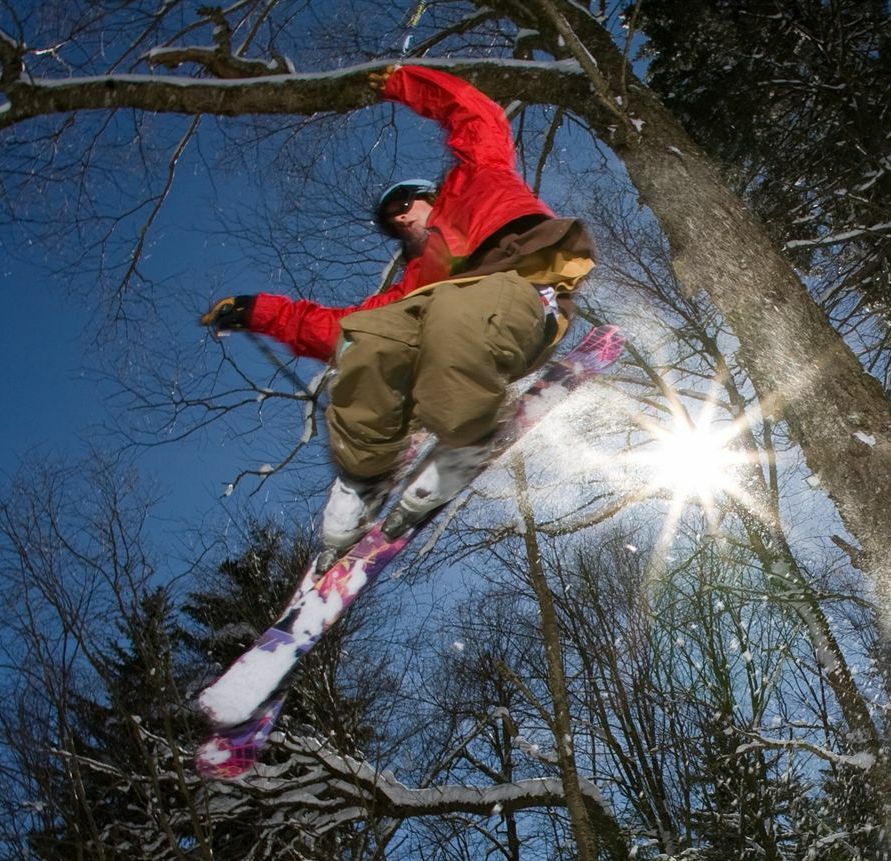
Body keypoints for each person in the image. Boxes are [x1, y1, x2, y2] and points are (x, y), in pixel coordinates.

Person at [203, 65, 597, 556]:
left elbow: (476, 113)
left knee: (453, 312)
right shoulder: (416, 284)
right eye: (392, 221)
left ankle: (469, 431)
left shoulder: (481, 170)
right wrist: (257, 311)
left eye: (406, 203)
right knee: (367, 339)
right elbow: (334, 330)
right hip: (446, 309)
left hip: (522, 288)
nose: (401, 217)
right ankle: (366, 475)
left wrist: (403, 80)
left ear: (430, 197)